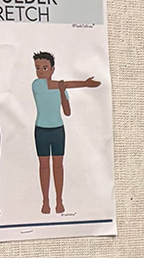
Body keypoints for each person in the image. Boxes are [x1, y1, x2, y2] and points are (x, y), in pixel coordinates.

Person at [31, 51, 101, 214]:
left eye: (45, 68)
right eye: (38, 68)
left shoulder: (60, 87)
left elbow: (67, 111)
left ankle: (59, 201)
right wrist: (83, 83)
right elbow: (58, 85)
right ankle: (46, 201)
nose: (41, 71)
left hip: (57, 130)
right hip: (41, 129)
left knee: (58, 166)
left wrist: (63, 91)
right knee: (43, 166)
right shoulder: (37, 84)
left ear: (52, 69)